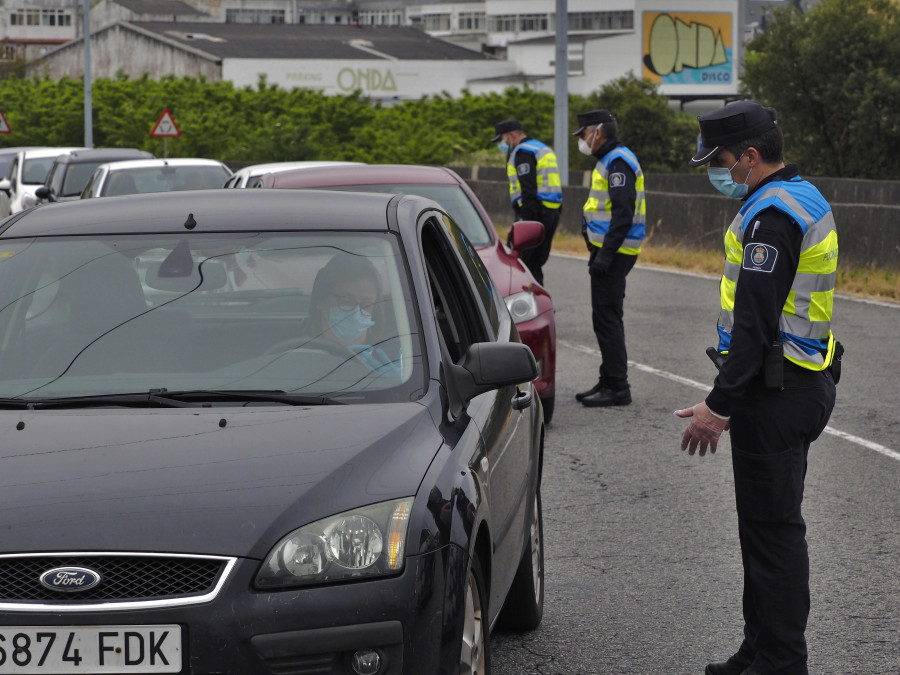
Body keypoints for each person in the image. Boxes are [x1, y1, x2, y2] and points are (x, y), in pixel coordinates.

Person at [674, 100, 840, 675]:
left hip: (779, 392)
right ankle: (758, 649)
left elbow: (755, 325)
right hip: (801, 382)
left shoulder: (772, 217)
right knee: (763, 529)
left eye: (720, 161)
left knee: (773, 536)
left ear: (749, 156)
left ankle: (782, 661)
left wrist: (717, 408)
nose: (717, 172)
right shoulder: (801, 194)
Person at [572, 109, 645, 407]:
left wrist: (605, 255)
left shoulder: (618, 162)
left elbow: (623, 213)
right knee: (604, 317)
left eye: (584, 134)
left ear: (597, 132)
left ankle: (617, 386)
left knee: (607, 319)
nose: (583, 141)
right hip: (609, 252)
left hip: (614, 254)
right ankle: (608, 379)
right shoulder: (609, 160)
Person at [304, 252, 400, 379]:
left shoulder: (392, 357)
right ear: (322, 300)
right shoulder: (295, 352)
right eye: (346, 300)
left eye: (366, 304)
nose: (356, 312)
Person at [491, 118, 562, 285]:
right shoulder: (541, 148)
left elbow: (528, 190)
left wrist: (523, 220)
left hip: (534, 213)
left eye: (501, 139)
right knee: (535, 264)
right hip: (552, 213)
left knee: (521, 265)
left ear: (511, 135)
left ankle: (527, 306)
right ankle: (540, 305)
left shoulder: (524, 152)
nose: (500, 144)